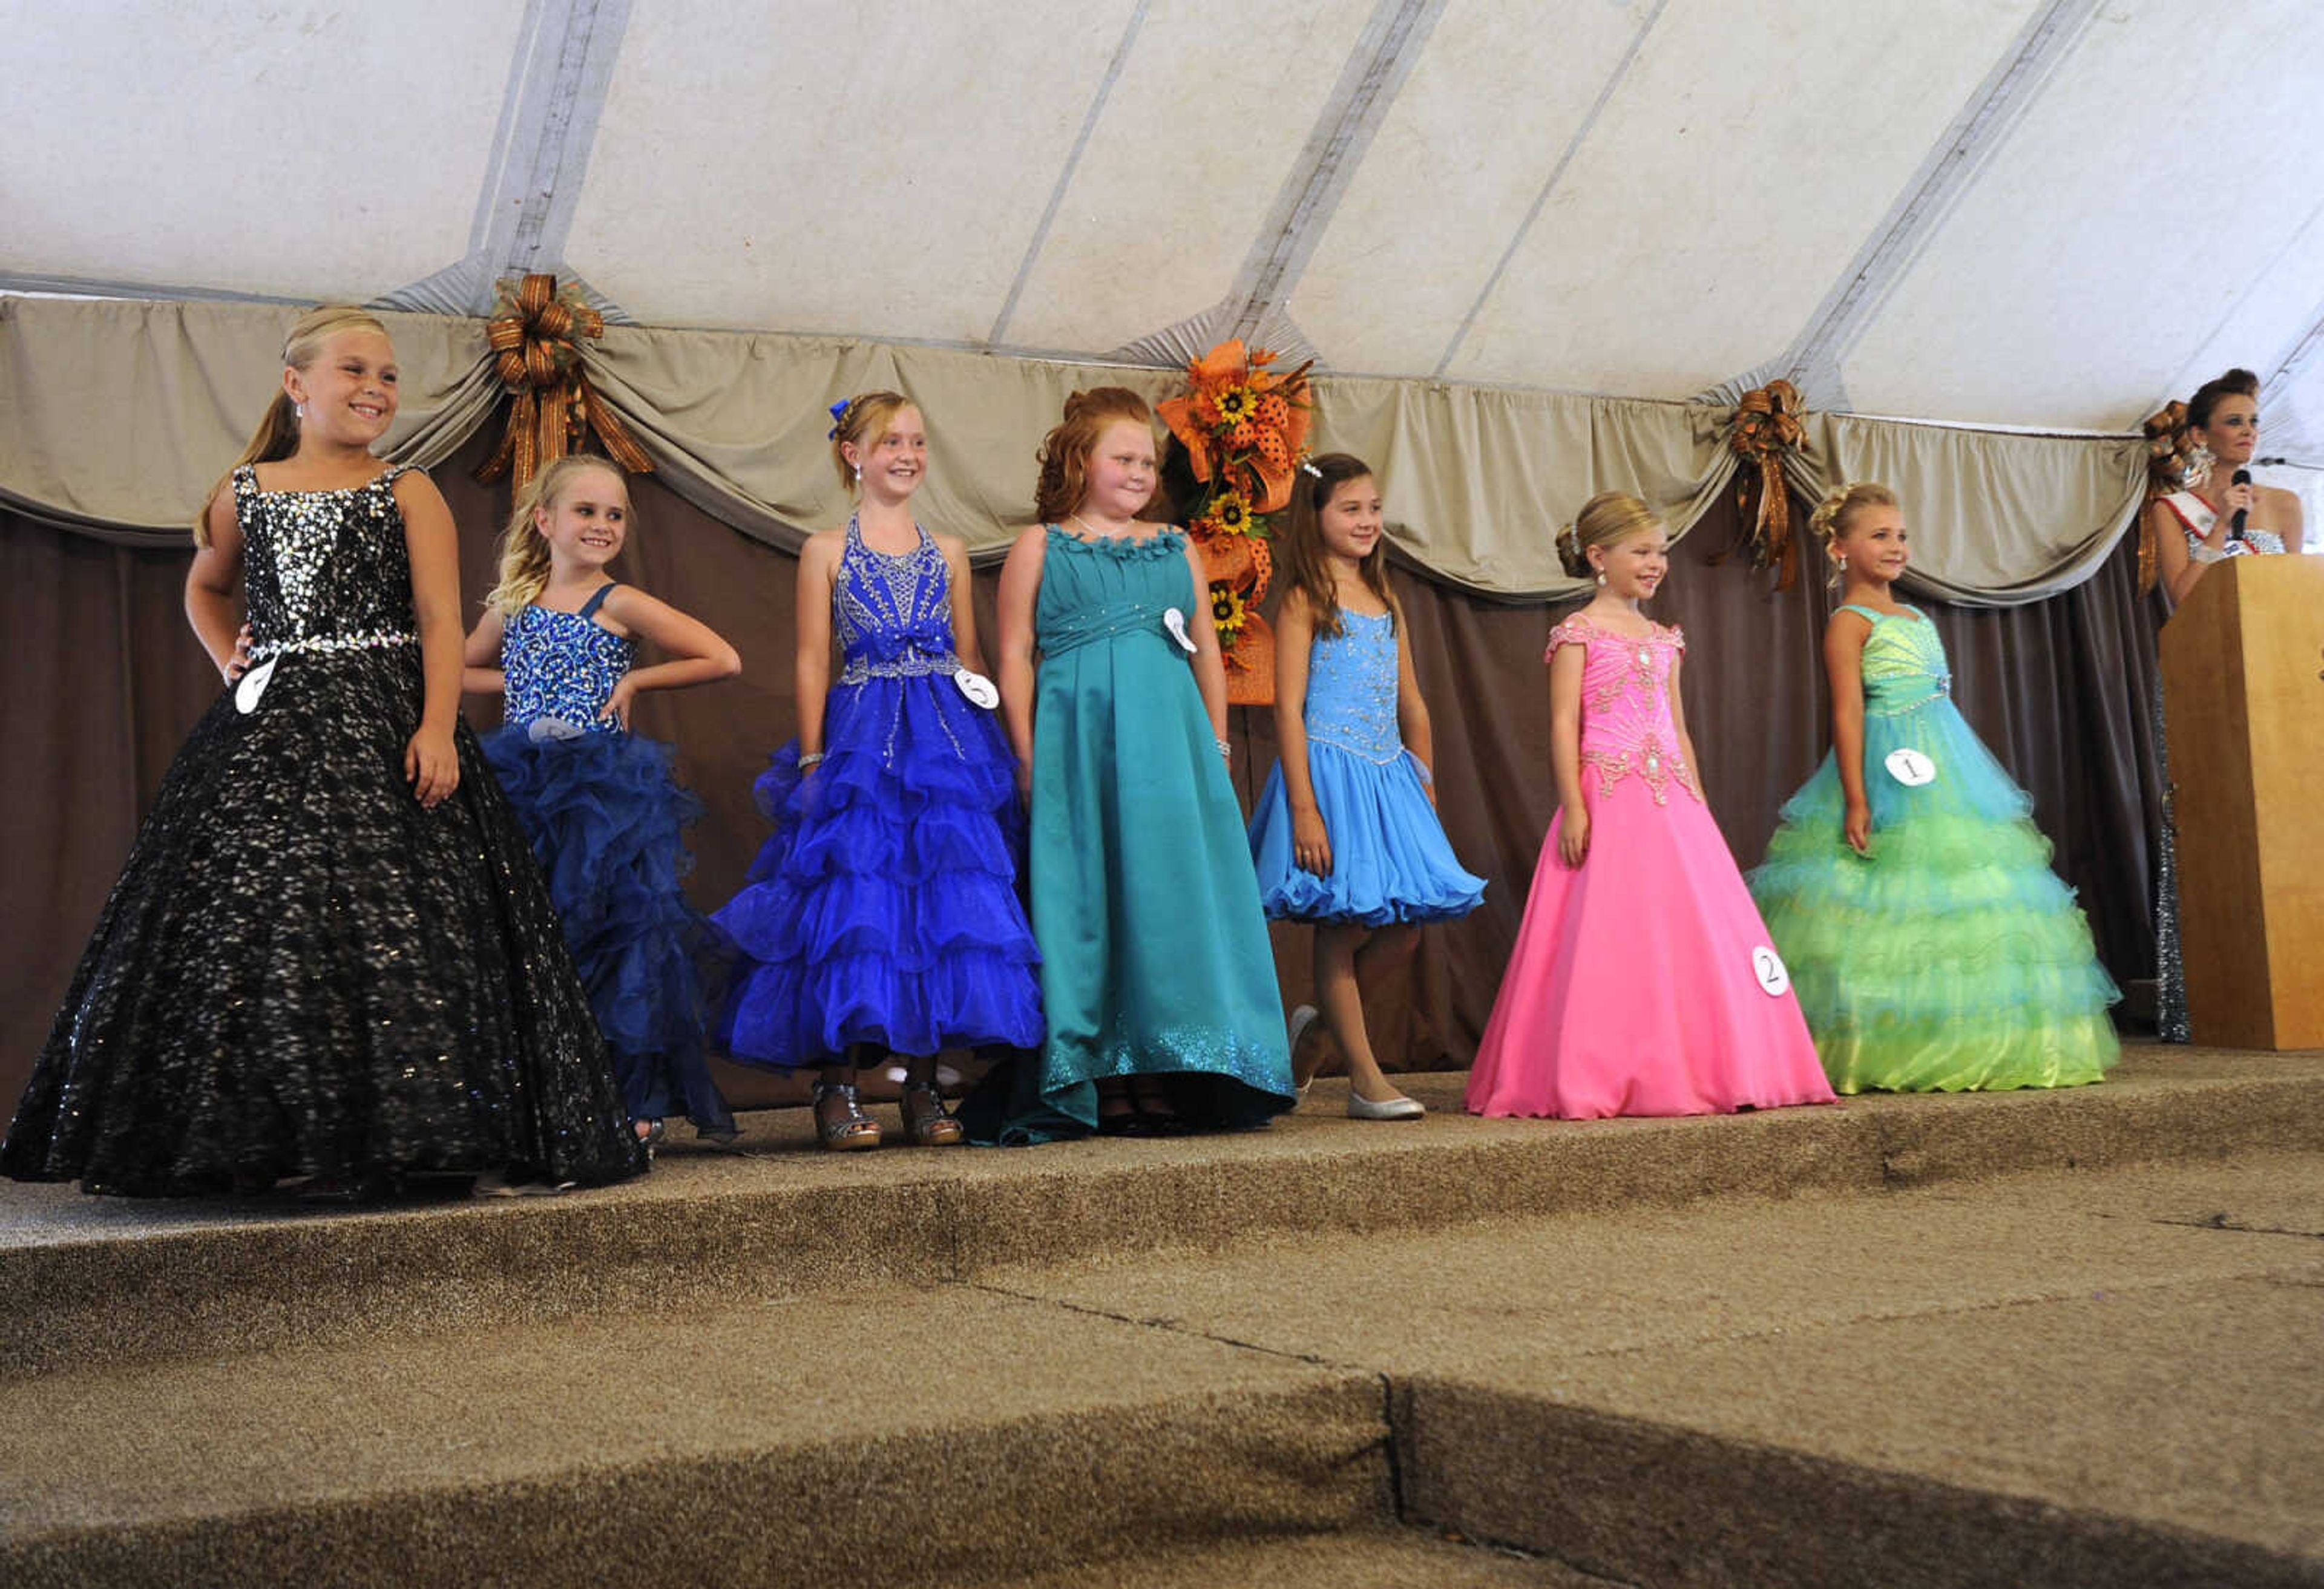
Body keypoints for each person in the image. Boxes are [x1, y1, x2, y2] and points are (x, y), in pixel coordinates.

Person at [3, 306, 645, 1197]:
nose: (375, 389)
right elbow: (206, 582)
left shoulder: (407, 489)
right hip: (267, 725)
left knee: (393, 919)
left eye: (386, 376)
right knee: (255, 913)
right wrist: (227, 651)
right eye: (354, 371)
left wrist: (433, 726)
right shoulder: (246, 491)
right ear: (296, 384)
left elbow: (437, 620)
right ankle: (262, 1136)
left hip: (386, 721)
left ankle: (408, 1132)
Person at [714, 393, 1041, 1149]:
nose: (907, 453)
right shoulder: (826, 549)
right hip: (861, 738)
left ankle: (923, 1089)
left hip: (946, 738)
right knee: (856, 906)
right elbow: (809, 658)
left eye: (918, 441)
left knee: (941, 908)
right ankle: (838, 1089)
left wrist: (991, 747)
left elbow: (972, 659)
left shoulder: (950, 552)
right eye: (890, 440)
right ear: (852, 454)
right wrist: (810, 755)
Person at [969, 388, 1295, 1141]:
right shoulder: (1040, 546)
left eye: (1149, 461)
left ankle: (1167, 1067)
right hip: (1077, 744)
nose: (1141, 471)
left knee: (1165, 897)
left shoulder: (1175, 545)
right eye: (1124, 458)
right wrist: (1023, 750)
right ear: (1082, 463)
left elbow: (1207, 651)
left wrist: (1214, 747)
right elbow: (1014, 653)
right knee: (1090, 898)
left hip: (1171, 748)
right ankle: (1099, 1071)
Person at [1466, 492, 1833, 1119]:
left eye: (1661, 550)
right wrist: (1574, 807)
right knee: (1612, 932)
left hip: (1673, 803)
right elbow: (1563, 725)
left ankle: (1711, 1062)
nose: (1656, 562)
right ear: (1597, 556)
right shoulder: (1578, 633)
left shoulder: (1664, 637)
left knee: (1691, 933)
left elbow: (1678, 725)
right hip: (1608, 797)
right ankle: (1605, 1064)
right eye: (1642, 551)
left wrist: (1697, 798)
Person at [1748, 483, 2120, 1092]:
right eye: (1879, 535)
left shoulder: (1916, 616)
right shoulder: (1849, 622)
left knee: (1966, 894)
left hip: (1945, 765)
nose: (1896, 546)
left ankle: (1982, 1039)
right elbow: (1846, 713)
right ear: (1840, 547)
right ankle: (1883, 1043)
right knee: (1885, 897)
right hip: (1883, 760)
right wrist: (1858, 796)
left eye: (1900, 535)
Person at [464, 454, 742, 1148]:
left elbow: (722, 657)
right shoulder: (515, 604)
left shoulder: (617, 601)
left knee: (617, 939)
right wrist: (523, 680)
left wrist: (638, 686)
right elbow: (459, 666)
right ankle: (544, 1098)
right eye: (586, 511)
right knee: (534, 937)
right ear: (545, 520)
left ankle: (630, 1103)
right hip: (524, 785)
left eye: (614, 514)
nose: (601, 525)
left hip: (601, 794)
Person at [1247, 453, 1483, 1120]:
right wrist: (1303, 808)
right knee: (1341, 922)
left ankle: (1319, 1030)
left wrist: (1426, 787)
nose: (1367, 520)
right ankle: (1365, 1077)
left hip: (1388, 777)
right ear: (1315, 516)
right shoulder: (1303, 600)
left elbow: (1414, 704)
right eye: (1351, 509)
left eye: (1374, 508)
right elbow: (1287, 708)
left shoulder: (1386, 600)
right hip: (1328, 774)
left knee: (1404, 930)